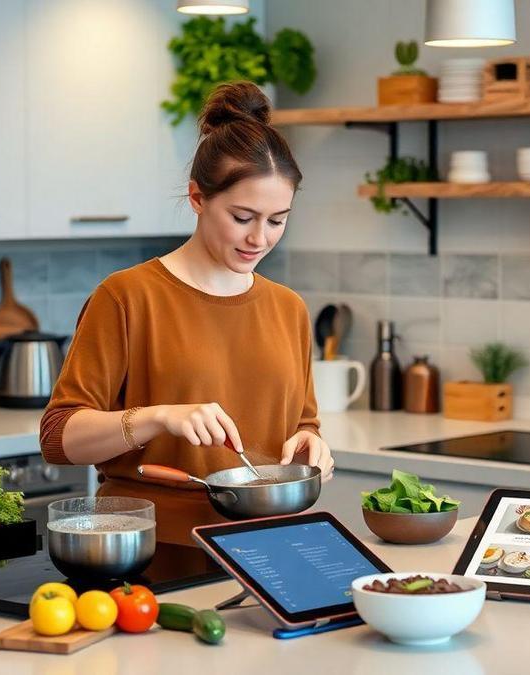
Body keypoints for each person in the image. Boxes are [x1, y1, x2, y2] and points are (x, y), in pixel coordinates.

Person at [39, 81, 333, 545]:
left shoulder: (288, 308)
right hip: (150, 548)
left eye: (277, 220)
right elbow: (59, 438)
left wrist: (311, 445)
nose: (260, 238)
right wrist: (157, 417)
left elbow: (301, 424)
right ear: (197, 198)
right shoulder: (127, 297)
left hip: (268, 544)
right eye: (242, 217)